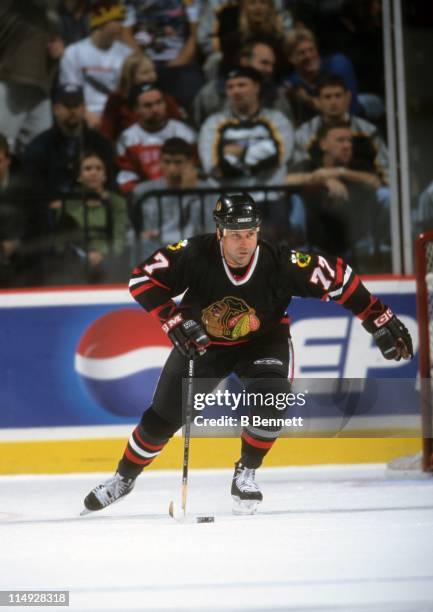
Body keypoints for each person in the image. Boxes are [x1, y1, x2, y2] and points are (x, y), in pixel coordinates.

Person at [83, 192, 413, 515]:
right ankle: (123, 479)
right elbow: (142, 278)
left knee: (272, 400)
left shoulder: (279, 262)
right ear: (219, 234)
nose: (244, 243)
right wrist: (173, 320)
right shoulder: (195, 253)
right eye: (236, 235)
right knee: (161, 419)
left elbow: (337, 277)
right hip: (202, 344)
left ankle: (246, 472)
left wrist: (378, 318)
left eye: (251, 234)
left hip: (263, 342)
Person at [286, 121, 388, 265]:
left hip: (354, 246)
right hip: (315, 249)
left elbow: (375, 182)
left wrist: (339, 172)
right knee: (296, 201)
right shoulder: (311, 166)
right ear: (323, 144)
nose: (347, 146)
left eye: (349, 141)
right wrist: (323, 180)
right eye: (340, 140)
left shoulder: (357, 167)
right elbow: (287, 180)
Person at [198, 66, 294, 193]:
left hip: (269, 196)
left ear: (257, 87)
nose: (235, 91)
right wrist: (261, 152)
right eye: (230, 87)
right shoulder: (213, 124)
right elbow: (213, 167)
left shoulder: (277, 120)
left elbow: (279, 158)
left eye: (242, 85)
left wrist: (241, 153)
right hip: (228, 198)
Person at [23, 84, 115, 206]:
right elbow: (33, 189)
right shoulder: (40, 146)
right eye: (67, 105)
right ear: (55, 109)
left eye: (76, 105)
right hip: (52, 212)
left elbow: (111, 181)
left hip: (94, 209)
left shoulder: (100, 144)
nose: (72, 111)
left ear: (83, 109)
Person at [50, 151, 129, 284]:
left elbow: (119, 237)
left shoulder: (117, 202)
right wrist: (83, 255)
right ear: (79, 176)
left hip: (109, 258)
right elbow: (61, 242)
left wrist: (102, 254)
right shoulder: (67, 204)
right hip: (76, 260)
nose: (94, 173)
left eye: (98, 168)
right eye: (87, 169)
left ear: (105, 175)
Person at [132, 137, 215, 257]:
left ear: (190, 162)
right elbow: (138, 231)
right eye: (167, 162)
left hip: (192, 251)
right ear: (160, 162)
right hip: (155, 250)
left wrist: (190, 194)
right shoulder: (144, 191)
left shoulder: (207, 191)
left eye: (178, 162)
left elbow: (207, 230)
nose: (171, 168)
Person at [0, 0, 64, 154]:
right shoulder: (10, 6)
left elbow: (49, 37)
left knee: (41, 147)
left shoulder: (51, 11)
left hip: (41, 86)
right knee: (3, 144)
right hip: (11, 80)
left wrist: (57, 45)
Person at [59, 0, 133, 129]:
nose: (122, 26)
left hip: (115, 115)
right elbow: (70, 91)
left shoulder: (127, 54)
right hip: (83, 114)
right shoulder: (73, 52)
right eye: (117, 20)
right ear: (102, 22)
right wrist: (86, 114)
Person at [116, 83, 196, 193]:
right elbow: (127, 179)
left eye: (159, 103)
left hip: (181, 194)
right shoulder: (127, 138)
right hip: (146, 200)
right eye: (148, 105)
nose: (155, 109)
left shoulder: (184, 133)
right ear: (136, 109)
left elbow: (194, 169)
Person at [193, 39, 293, 127]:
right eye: (264, 63)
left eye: (272, 65)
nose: (270, 70)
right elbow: (199, 129)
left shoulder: (276, 97)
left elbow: (286, 129)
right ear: (244, 61)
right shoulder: (211, 93)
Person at [100, 52, 183, 143]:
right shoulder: (116, 100)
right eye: (145, 73)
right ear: (130, 77)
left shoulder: (165, 98)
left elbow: (178, 126)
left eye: (153, 71)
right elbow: (107, 133)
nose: (152, 76)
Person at [283, 27, 361, 125]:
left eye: (311, 50)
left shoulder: (338, 65)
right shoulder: (292, 82)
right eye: (301, 53)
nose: (308, 56)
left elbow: (346, 110)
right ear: (291, 58)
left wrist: (308, 100)